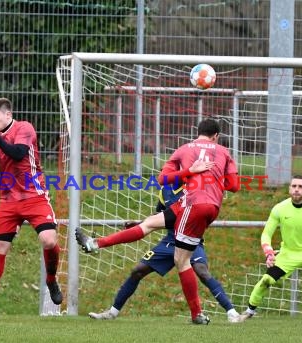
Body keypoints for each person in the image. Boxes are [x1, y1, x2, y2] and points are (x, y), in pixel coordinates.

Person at [76, 119, 240, 324]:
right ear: (216, 136)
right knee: (148, 228)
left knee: (186, 262)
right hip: (194, 215)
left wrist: (191, 172)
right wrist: (211, 178)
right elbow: (234, 185)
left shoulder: (183, 153)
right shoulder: (222, 153)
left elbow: (163, 178)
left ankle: (212, 313)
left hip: (193, 210)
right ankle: (95, 244)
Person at [89, 186, 241, 323]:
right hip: (169, 241)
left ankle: (231, 312)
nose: (166, 173)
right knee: (138, 271)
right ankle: (112, 312)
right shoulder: (165, 190)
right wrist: (141, 223)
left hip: (190, 240)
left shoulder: (194, 187)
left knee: (202, 271)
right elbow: (161, 215)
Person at [0, 97, 62, 321]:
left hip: (34, 194)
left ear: (8, 115)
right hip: (9, 198)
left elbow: (18, 153)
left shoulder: (24, 128)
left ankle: (50, 279)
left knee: (49, 240)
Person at [238, 175, 302, 321]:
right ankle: (249, 311)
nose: (296, 189)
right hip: (288, 254)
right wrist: (269, 253)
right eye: (294, 186)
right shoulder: (279, 208)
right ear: (289, 188)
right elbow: (266, 234)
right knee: (266, 280)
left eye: (300, 187)